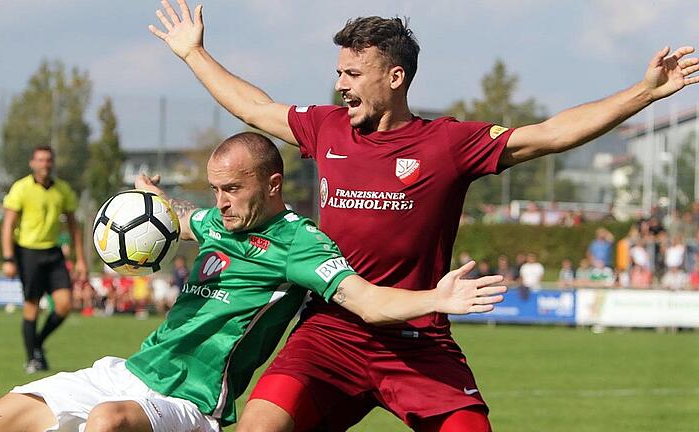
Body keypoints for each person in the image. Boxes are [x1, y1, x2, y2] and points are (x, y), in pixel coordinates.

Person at [148, 2, 699, 430]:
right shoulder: (327, 128)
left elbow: (550, 134)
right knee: (258, 427)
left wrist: (643, 93)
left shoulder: (448, 144)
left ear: (394, 78)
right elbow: (253, 108)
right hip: (330, 333)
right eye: (339, 71)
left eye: (352, 73)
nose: (340, 84)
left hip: (418, 343)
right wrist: (193, 53)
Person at [0, 132, 506, 432]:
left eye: (231, 190)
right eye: (214, 189)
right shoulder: (217, 220)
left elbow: (366, 300)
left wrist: (437, 297)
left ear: (270, 185)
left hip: (192, 403)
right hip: (126, 373)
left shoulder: (300, 244)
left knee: (106, 426)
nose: (219, 202)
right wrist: (151, 197)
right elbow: (181, 215)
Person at [0, 145, 88, 374]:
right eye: (40, 160)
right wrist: (8, 258)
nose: (45, 164)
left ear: (53, 163)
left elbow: (73, 225)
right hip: (28, 252)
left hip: (53, 252)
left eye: (48, 160)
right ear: (32, 163)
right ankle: (32, 358)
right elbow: (8, 224)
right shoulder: (21, 188)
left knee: (65, 304)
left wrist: (81, 259)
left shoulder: (63, 190)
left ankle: (37, 343)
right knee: (32, 308)